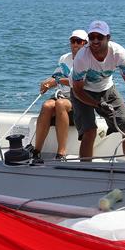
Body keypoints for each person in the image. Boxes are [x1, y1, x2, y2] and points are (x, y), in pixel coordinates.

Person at [71, 20, 125, 162]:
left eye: (100, 37)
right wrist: (97, 105)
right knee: (90, 131)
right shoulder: (82, 58)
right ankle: (85, 169)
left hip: (107, 89)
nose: (95, 40)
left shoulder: (118, 53)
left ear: (108, 38)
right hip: (83, 93)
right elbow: (78, 91)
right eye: (92, 37)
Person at [32, 29, 88, 161]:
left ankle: (61, 152)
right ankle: (36, 150)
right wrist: (47, 83)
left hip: (80, 97)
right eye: (73, 41)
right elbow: (57, 75)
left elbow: (79, 83)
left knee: (60, 104)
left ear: (85, 44)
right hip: (63, 95)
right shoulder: (64, 58)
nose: (75, 44)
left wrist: (56, 81)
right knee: (47, 105)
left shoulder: (88, 61)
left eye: (79, 41)